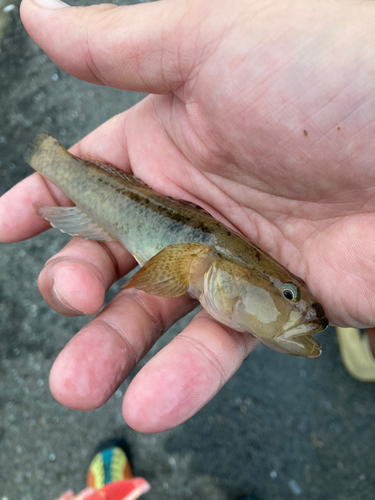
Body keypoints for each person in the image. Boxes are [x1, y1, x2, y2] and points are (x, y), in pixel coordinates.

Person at [2, 0, 375, 434]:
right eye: (289, 294)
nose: (298, 307)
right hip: (122, 201)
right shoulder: (204, 261)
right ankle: (38, 152)